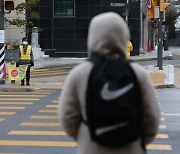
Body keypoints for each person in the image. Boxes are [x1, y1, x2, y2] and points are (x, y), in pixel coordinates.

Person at [59, 12, 160, 154]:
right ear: (124, 36)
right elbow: (152, 119)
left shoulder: (80, 73)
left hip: (91, 148)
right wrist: (136, 140)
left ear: (92, 37)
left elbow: (67, 117)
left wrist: (86, 137)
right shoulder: (138, 73)